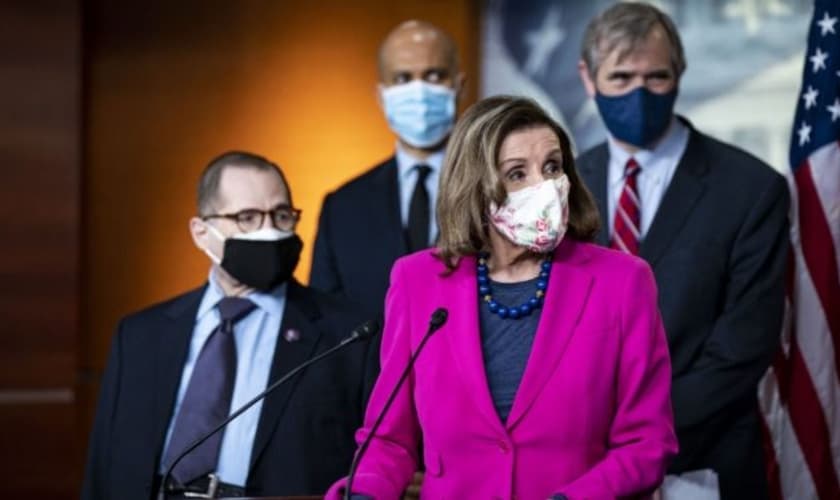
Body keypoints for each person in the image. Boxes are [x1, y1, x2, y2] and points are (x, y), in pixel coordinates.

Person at [327, 96, 678, 499]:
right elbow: (389, 440)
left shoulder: (622, 281)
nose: (543, 186)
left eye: (552, 167)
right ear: (476, 187)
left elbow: (647, 443)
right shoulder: (417, 281)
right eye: (517, 174)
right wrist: (365, 492)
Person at [574, 3, 789, 499]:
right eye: (621, 76)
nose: (639, 93)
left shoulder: (750, 189)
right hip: (580, 469)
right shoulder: (562, 186)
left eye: (657, 76)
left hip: (704, 463)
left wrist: (632, 442)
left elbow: (741, 348)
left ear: (680, 75)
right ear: (588, 78)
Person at [82, 152, 378, 499]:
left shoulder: (350, 335)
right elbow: (103, 468)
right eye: (247, 218)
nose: (270, 231)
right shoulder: (139, 336)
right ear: (201, 232)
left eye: (281, 216)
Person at [310, 19, 466, 317]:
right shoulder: (342, 207)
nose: (419, 91)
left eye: (434, 75)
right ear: (382, 97)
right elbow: (325, 322)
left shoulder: (496, 190)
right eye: (403, 78)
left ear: (459, 86)